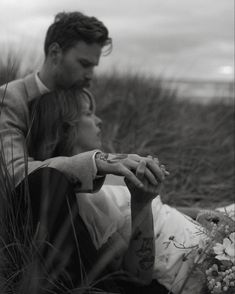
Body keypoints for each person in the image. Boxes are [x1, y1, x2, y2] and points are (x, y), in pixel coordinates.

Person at [0, 11, 166, 293]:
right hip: (27, 219)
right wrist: (96, 162)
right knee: (48, 181)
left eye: (94, 65)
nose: (90, 75)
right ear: (55, 52)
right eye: (84, 63)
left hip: (79, 211)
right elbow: (14, 171)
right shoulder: (11, 98)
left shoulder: (80, 96)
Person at [28, 88, 235, 294]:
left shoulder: (108, 171)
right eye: (88, 114)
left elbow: (161, 210)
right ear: (65, 129)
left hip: (210, 236)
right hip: (196, 266)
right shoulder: (85, 200)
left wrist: (209, 214)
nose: (99, 120)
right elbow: (135, 278)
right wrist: (141, 203)